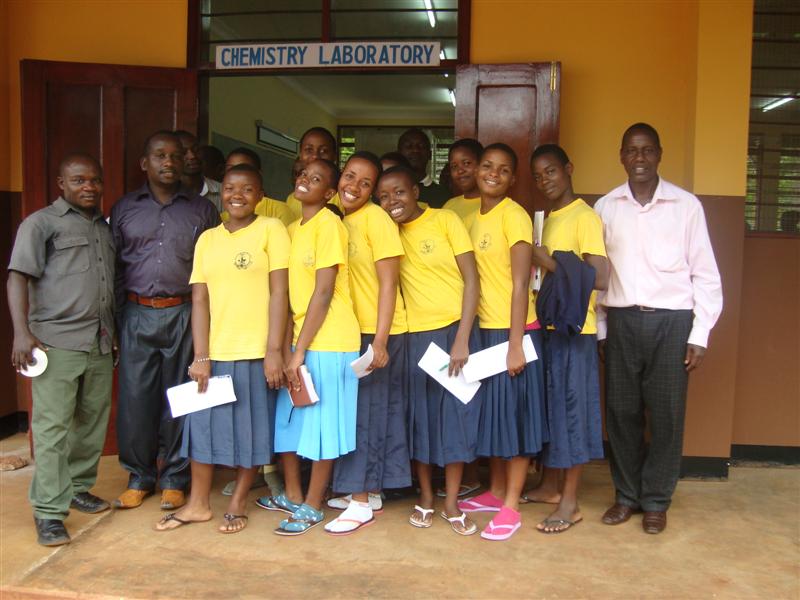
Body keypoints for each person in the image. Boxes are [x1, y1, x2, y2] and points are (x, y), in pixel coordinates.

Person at [595, 123, 722, 534]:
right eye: (632, 151)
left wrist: (699, 334)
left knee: (666, 415)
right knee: (621, 413)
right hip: (622, 321)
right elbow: (597, 274)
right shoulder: (606, 208)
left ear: (659, 155)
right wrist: (601, 328)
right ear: (621, 156)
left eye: (647, 150)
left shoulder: (686, 206)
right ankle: (626, 496)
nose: (640, 158)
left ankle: (655, 500)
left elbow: (706, 274)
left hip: (672, 322)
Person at [155, 164, 290, 533]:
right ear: (221, 193)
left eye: (247, 189)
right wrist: (201, 356)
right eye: (230, 188)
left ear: (260, 195)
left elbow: (280, 292)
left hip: (255, 352)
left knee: (251, 431)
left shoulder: (271, 229)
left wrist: (274, 350)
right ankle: (198, 504)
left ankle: (237, 502)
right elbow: (199, 300)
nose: (237, 195)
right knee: (202, 429)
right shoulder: (208, 239)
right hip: (214, 353)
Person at [8, 154, 116, 546]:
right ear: (61, 184)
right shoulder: (40, 224)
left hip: (99, 341)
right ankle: (49, 511)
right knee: (52, 429)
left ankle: (78, 487)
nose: (89, 187)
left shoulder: (103, 227)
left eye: (95, 180)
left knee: (91, 422)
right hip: (55, 342)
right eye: (79, 180)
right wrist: (21, 333)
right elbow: (18, 277)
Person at [111, 131, 220, 511]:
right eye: (160, 155)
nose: (169, 162)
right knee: (135, 400)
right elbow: (114, 267)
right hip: (136, 312)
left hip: (184, 312)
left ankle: (175, 478)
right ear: (145, 163)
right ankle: (139, 476)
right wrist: (117, 320)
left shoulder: (201, 210)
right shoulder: (124, 208)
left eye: (175, 155)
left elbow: (213, 270)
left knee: (182, 395)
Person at [377, 166, 482, 537]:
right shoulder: (388, 233)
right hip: (416, 338)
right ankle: (425, 495)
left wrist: (463, 337)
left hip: (455, 331)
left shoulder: (446, 220)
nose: (392, 201)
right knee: (420, 420)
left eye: (399, 192)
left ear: (416, 191)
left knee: (455, 419)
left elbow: (472, 280)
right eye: (384, 196)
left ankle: (451, 501)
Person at [259, 158, 361, 536]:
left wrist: (299, 349)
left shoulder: (329, 225)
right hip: (300, 339)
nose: (305, 180)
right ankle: (293, 495)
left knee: (321, 426)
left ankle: (313, 505)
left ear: (329, 193)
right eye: (304, 174)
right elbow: (287, 295)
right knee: (289, 420)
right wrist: (288, 346)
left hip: (330, 340)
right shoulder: (291, 229)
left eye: (316, 179)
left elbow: (324, 291)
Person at [457, 143, 547, 541]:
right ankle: (495, 491)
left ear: (512, 179)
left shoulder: (515, 216)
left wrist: (515, 344)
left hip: (516, 330)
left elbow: (520, 283)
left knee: (517, 419)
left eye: (503, 169)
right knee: (494, 416)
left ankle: (511, 504)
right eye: (487, 166)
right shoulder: (473, 218)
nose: (493, 174)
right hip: (486, 330)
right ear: (477, 170)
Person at [523, 144, 608, 533]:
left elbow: (600, 276)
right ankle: (551, 486)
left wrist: (549, 262)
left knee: (572, 414)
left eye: (551, 171)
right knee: (553, 409)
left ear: (569, 169)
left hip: (576, 330)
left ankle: (570, 503)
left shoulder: (584, 217)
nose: (545, 180)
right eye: (538, 176)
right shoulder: (546, 219)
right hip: (549, 327)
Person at [325, 152, 410, 535]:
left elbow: (389, 284)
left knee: (366, 416)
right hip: (352, 330)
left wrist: (380, 340)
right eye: (349, 176)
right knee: (366, 413)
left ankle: (360, 502)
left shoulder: (377, 220)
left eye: (365, 183)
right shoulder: (338, 219)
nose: (353, 187)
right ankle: (369, 492)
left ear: (374, 191)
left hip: (378, 331)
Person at [222, 148, 294, 227]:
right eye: (230, 169)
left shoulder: (279, 211)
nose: (237, 174)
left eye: (245, 168)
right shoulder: (222, 218)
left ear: (259, 174)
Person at [286, 127, 342, 218]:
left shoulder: (342, 197)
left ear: (334, 156)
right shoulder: (292, 198)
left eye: (324, 151)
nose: (315, 156)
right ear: (300, 154)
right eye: (309, 150)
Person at [397, 128, 451, 208]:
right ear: (398, 153)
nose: (415, 150)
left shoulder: (444, 195)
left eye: (421, 146)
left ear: (430, 154)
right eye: (409, 146)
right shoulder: (390, 193)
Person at [175, 131, 222, 212]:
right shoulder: (167, 194)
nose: (192, 156)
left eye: (196, 149)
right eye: (183, 152)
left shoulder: (222, 191)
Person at [443, 138, 484, 230]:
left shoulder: (493, 205)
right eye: (454, 166)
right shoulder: (449, 206)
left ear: (482, 164)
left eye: (466, 163)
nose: (460, 171)